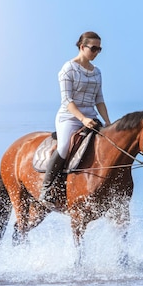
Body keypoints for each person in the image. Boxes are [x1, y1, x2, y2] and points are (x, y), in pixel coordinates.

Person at [40, 31, 112, 203]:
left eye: (99, 49)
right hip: (70, 117)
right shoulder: (68, 69)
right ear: (82, 47)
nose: (96, 53)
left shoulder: (97, 72)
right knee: (64, 147)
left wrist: (109, 123)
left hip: (91, 117)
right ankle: (47, 188)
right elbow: (67, 101)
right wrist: (83, 119)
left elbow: (99, 100)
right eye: (93, 48)